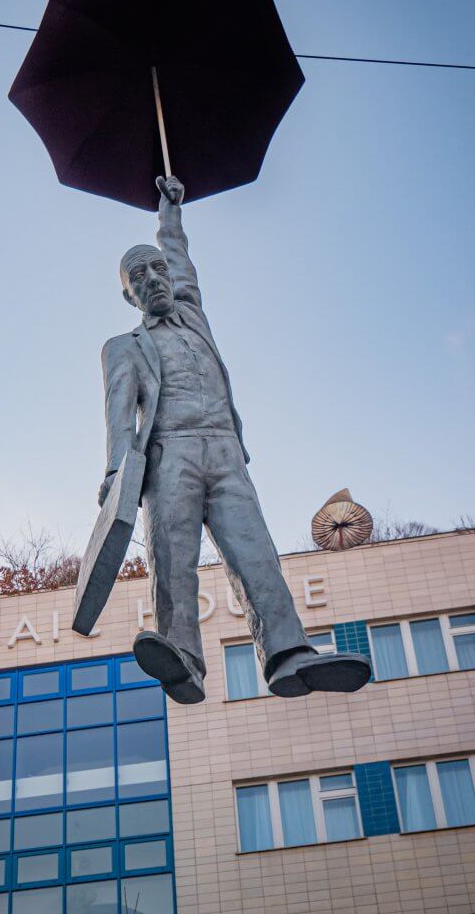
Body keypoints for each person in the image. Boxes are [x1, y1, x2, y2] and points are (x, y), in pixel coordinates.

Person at [98, 174, 370, 703]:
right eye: (140, 273)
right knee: (172, 556)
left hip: (225, 452)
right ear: (127, 293)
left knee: (257, 555)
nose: (154, 276)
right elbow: (117, 415)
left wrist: (169, 214)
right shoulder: (122, 347)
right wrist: (114, 474)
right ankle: (183, 657)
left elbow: (179, 257)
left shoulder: (194, 315)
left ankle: (288, 655)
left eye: (156, 268)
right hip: (168, 454)